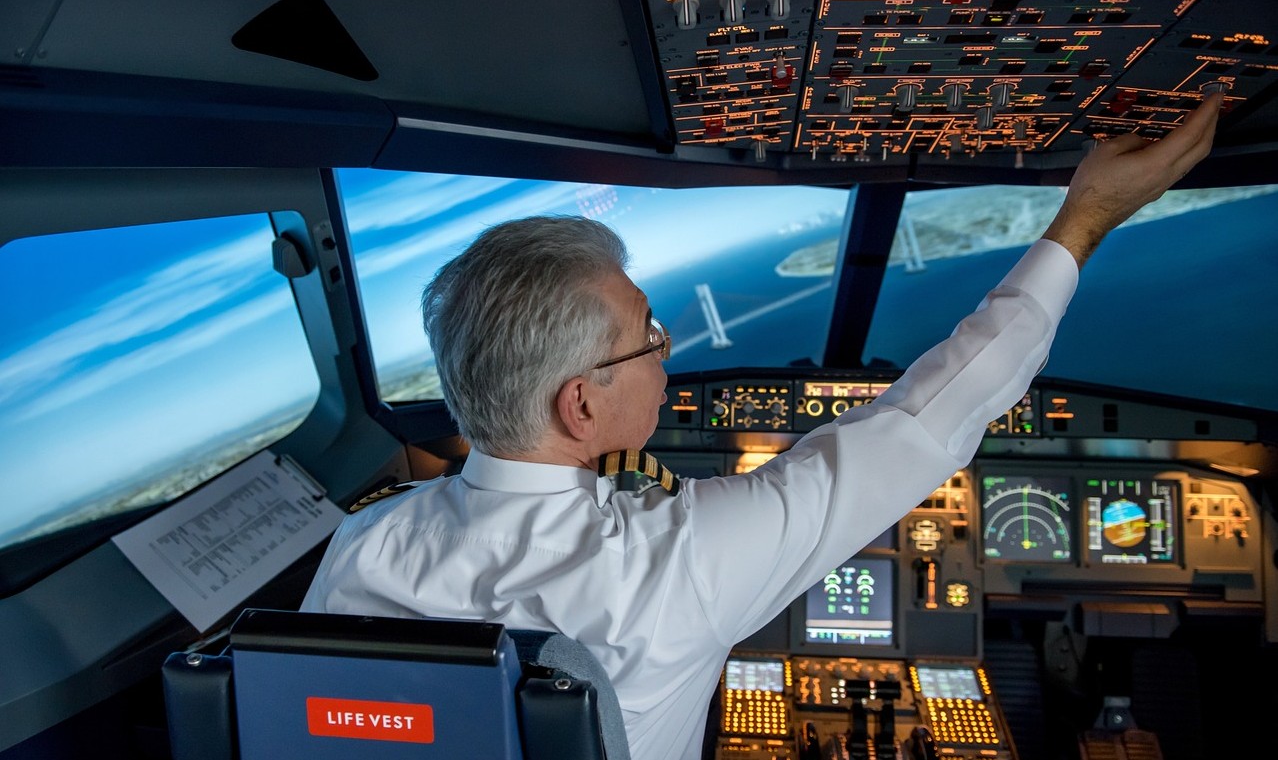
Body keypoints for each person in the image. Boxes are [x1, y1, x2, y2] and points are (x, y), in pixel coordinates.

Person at [301, 95, 1222, 760]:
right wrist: (1087, 217)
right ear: (579, 405)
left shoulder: (360, 546)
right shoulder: (673, 561)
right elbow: (927, 418)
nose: (666, 353)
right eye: (647, 340)